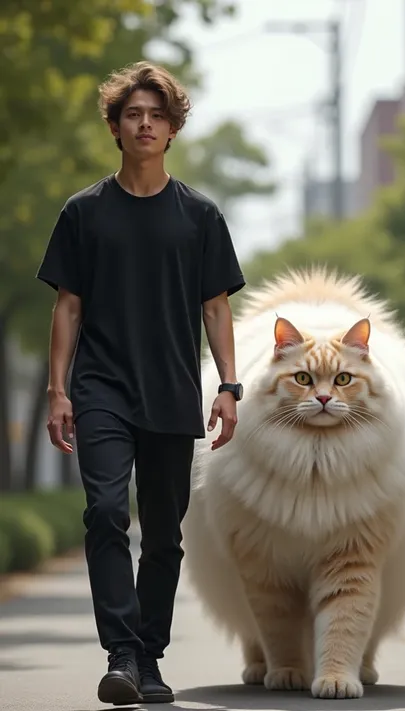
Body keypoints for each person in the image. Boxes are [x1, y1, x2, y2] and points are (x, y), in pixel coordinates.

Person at [36, 61, 245, 706]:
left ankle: (150, 656)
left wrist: (229, 387)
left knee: (163, 532)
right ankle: (121, 652)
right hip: (101, 387)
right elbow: (67, 304)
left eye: (157, 115)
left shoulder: (200, 216)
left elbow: (216, 307)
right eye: (133, 114)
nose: (145, 123)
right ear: (116, 127)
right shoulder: (84, 212)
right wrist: (59, 389)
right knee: (103, 512)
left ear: (172, 128)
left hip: (173, 390)